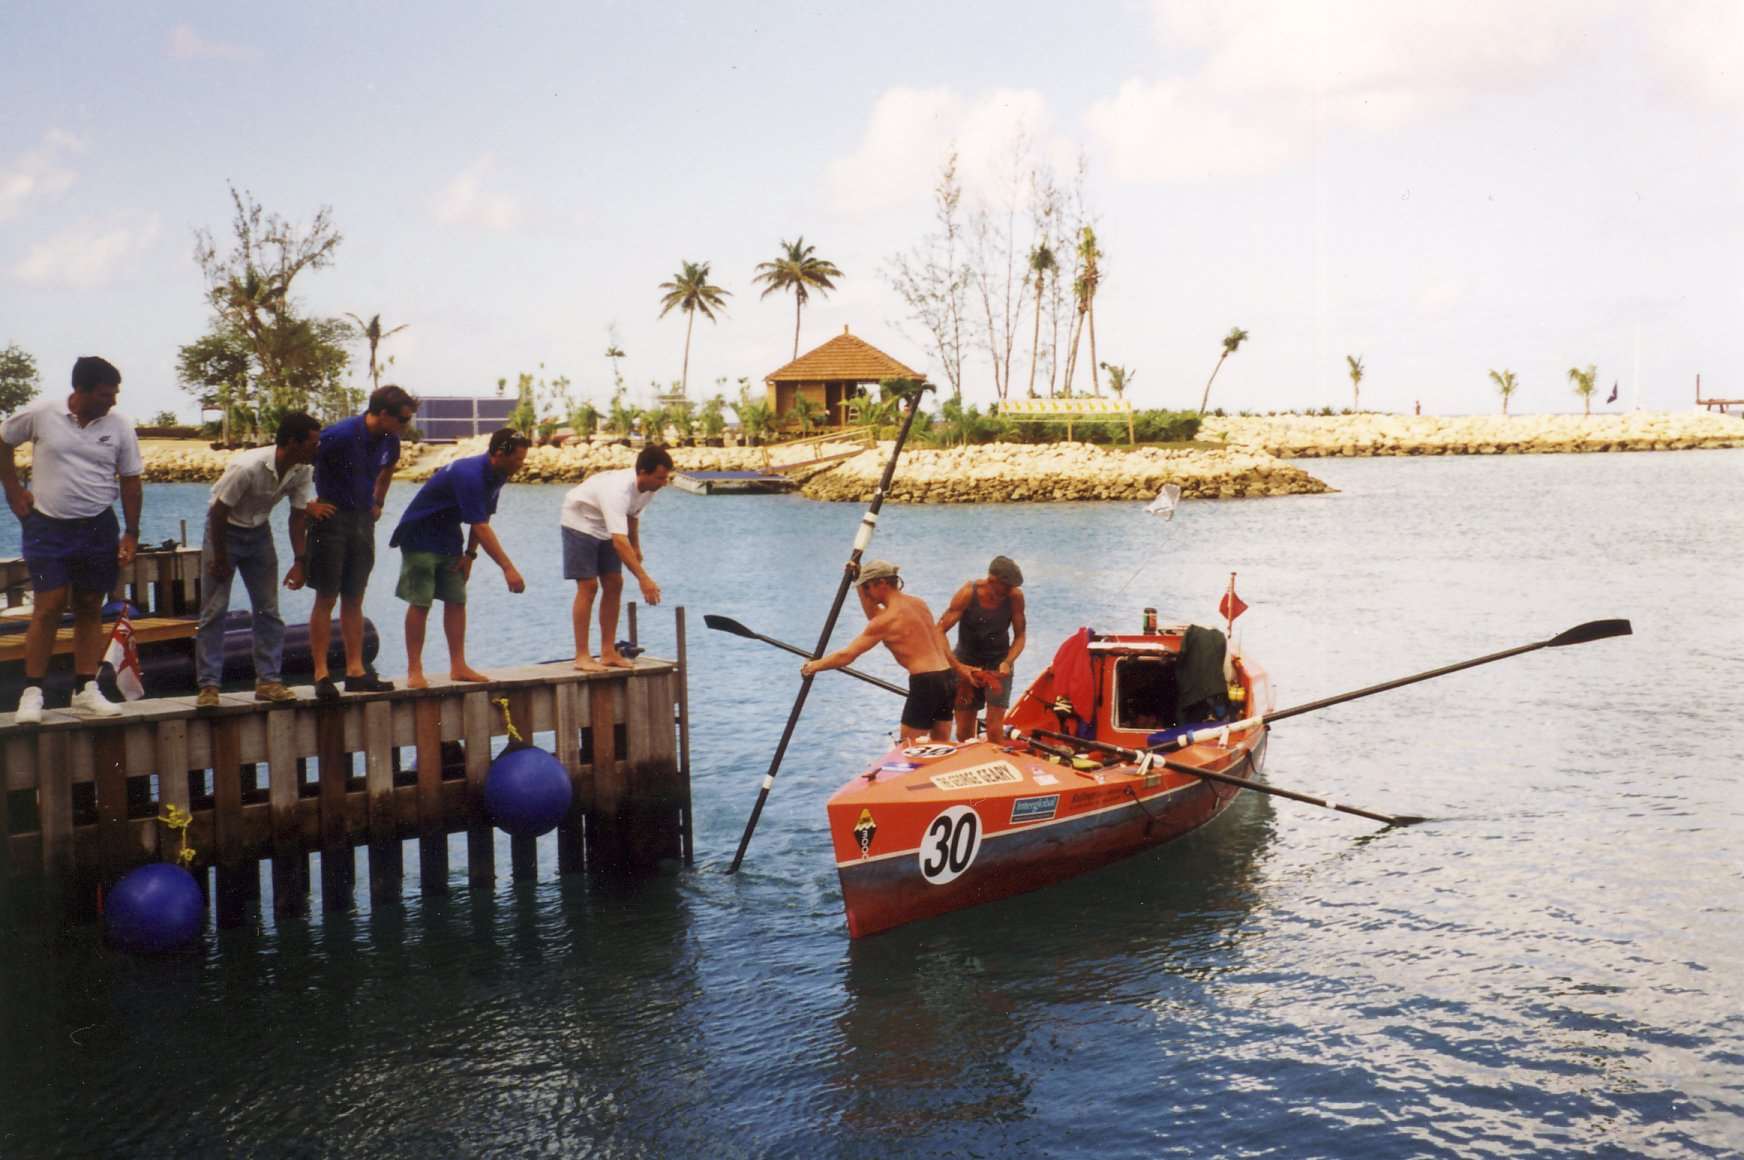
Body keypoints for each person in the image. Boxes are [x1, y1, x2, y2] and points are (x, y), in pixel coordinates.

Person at [0, 356, 142, 722]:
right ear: (79, 391)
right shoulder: (42, 413)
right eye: (105, 394)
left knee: (90, 605)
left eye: (115, 395)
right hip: (47, 525)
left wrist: (131, 532)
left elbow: (130, 481)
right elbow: (3, 441)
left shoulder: (120, 427)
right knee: (48, 606)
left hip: (98, 525)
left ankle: (85, 688)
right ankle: (32, 693)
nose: (112, 401)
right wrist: (14, 491)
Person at [194, 412, 332, 709]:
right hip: (224, 531)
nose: (317, 448)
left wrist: (300, 560)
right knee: (214, 610)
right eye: (313, 442)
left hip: (259, 533)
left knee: (268, 609)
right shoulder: (248, 467)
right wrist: (219, 557)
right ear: (293, 442)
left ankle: (268, 681)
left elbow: (297, 517)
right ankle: (208, 687)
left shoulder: (301, 470)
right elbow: (218, 513)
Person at [390, 428, 529, 688]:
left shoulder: (499, 474)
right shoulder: (470, 474)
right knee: (421, 602)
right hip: (419, 536)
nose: (522, 465)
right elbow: (480, 525)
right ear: (500, 454)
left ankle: (458, 666)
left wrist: (470, 555)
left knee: (456, 599)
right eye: (519, 459)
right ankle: (414, 670)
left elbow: (483, 517)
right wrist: (508, 568)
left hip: (449, 538)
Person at [306, 384, 419, 701]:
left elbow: (387, 470)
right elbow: (301, 463)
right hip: (330, 518)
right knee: (326, 596)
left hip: (361, 520)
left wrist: (378, 502)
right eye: (402, 419)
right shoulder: (338, 435)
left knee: (354, 596)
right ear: (383, 414)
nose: (405, 425)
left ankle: (355, 671)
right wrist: (307, 504)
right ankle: (321, 674)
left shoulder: (390, 440)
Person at [800, 560, 977, 743]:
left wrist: (813, 666)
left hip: (926, 683)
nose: (867, 593)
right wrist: (859, 581)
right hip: (947, 677)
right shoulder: (919, 604)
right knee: (941, 745)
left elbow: (847, 656)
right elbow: (874, 617)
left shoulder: (886, 620)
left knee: (909, 748)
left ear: (882, 584)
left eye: (867, 588)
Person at [561, 444, 671, 672]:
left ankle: (608, 652)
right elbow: (619, 542)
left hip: (607, 527)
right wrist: (644, 580)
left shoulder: (649, 489)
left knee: (615, 583)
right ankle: (582, 656)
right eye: (660, 478)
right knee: (588, 586)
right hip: (579, 521)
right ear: (643, 472)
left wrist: (637, 547)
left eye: (666, 477)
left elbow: (632, 516)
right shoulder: (618, 490)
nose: (664, 483)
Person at [937, 555, 1027, 742]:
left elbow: (1020, 637)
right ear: (993, 580)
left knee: (994, 729)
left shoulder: (1015, 597)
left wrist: (1008, 662)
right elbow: (938, 631)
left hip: (998, 663)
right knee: (964, 731)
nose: (1011, 590)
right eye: (1007, 586)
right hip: (966, 662)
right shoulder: (968, 593)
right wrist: (957, 667)